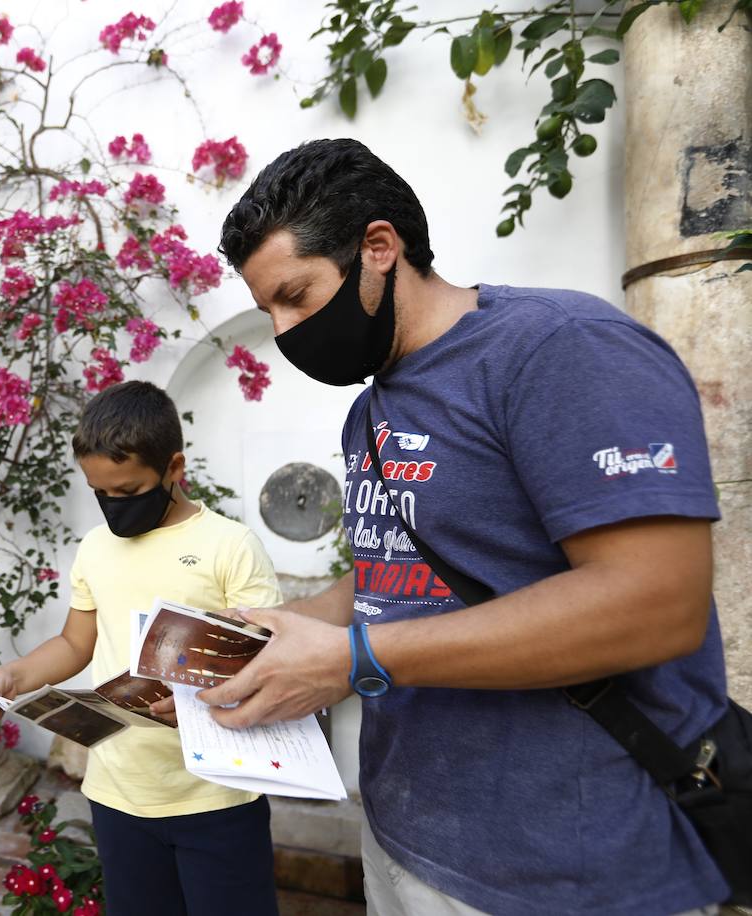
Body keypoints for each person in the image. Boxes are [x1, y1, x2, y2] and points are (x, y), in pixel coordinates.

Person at [208, 138, 729, 915]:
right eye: (268, 312)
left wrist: (353, 659)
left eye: (296, 295)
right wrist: (283, 628)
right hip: (403, 840)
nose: (284, 333)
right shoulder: (373, 405)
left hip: (568, 873)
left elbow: (658, 601)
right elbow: (404, 573)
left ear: (378, 249)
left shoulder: (559, 348)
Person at [0, 380, 284, 915]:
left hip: (216, 794)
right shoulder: (96, 547)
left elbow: (271, 659)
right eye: (100, 494)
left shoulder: (229, 546)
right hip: (118, 791)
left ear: (174, 468)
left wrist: (199, 699)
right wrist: (14, 676)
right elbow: (75, 641)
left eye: (128, 491)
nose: (113, 507)